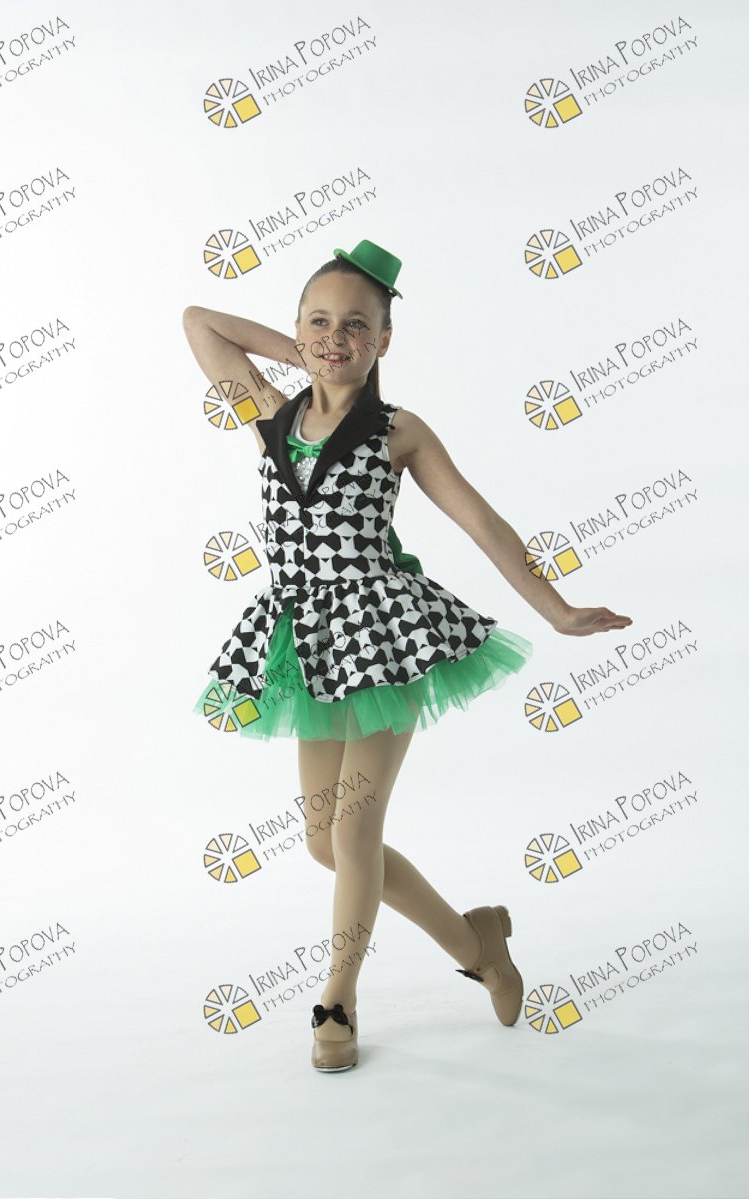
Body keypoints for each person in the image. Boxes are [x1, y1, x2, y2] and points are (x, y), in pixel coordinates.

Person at [183, 239, 632, 1072]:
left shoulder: (399, 431)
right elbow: (200, 322)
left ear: (385, 340)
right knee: (325, 842)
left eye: (357, 326)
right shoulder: (271, 416)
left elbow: (483, 522)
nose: (336, 337)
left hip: (384, 638)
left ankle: (338, 998)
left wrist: (558, 609)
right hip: (308, 647)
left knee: (354, 834)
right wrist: (304, 356)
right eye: (320, 322)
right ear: (296, 329)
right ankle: (477, 942)